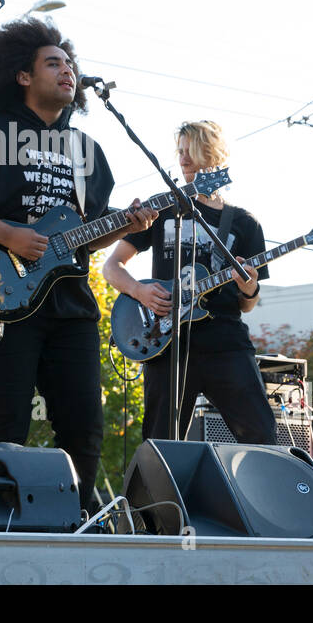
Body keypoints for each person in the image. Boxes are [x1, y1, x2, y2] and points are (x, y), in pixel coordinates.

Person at [0, 18, 155, 513]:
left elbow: (84, 239)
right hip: (2, 297)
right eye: (54, 63)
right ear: (23, 76)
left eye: (70, 64)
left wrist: (128, 224)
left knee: (85, 428)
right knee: (6, 428)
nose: (67, 70)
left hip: (70, 305)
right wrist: (7, 235)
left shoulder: (88, 152)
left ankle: (75, 528)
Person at [102, 121, 274, 445]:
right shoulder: (164, 210)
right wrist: (139, 290)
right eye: (179, 152)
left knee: (261, 434)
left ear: (212, 154)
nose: (182, 160)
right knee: (162, 442)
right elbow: (111, 267)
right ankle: (158, 498)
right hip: (166, 340)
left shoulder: (244, 223)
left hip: (225, 340)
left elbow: (247, 303)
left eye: (190, 152)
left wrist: (249, 288)